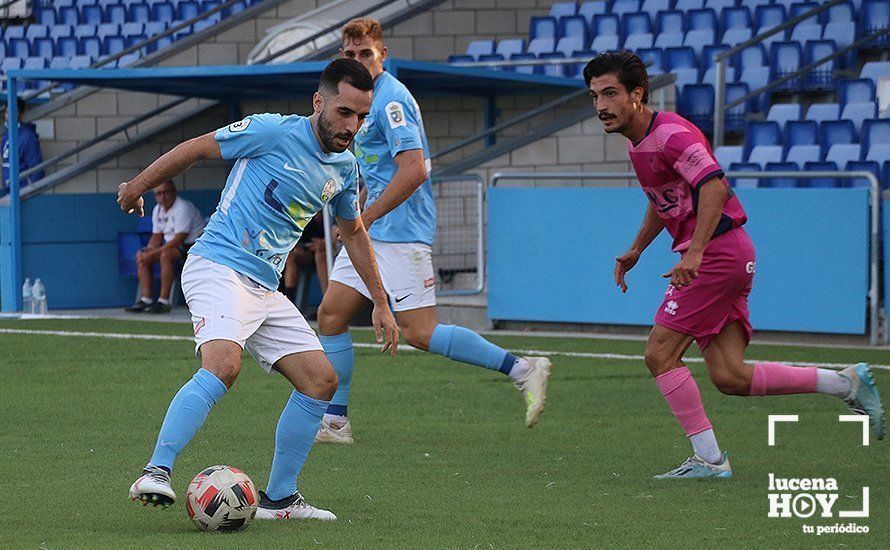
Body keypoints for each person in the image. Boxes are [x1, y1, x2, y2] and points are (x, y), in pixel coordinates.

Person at [118, 59, 399, 520]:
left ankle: (280, 498)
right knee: (224, 366)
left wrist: (381, 302)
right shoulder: (272, 131)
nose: (353, 126)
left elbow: (353, 232)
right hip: (219, 266)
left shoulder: (345, 168)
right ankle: (156, 471)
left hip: (264, 287)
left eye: (362, 117)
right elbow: (195, 148)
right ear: (319, 102)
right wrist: (136, 187)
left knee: (321, 380)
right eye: (345, 113)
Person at [585, 50, 885, 479]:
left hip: (718, 254)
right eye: (595, 96)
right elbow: (665, 199)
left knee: (659, 354)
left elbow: (715, 188)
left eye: (610, 94)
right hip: (726, 253)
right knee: (729, 376)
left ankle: (709, 460)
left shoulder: (671, 135)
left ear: (638, 94)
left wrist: (695, 252)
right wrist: (637, 249)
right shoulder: (639, 143)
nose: (600, 106)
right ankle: (845, 383)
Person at [313, 17, 552, 445]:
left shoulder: (392, 100)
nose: (356, 60)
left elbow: (414, 170)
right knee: (330, 316)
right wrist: (359, 208)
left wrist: (365, 218)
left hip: (401, 232)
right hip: (374, 230)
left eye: (364, 53)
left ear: (382, 54)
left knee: (420, 333)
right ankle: (335, 422)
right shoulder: (363, 101)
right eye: (348, 55)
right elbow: (380, 167)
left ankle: (523, 369)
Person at [125, 180, 206, 314]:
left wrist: (154, 253)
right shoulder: (158, 209)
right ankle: (146, 300)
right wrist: (149, 249)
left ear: (174, 192)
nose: (162, 197)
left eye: (166, 192)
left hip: (193, 248)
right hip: (172, 246)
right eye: (159, 194)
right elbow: (157, 236)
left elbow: (179, 239)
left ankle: (163, 302)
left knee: (165, 255)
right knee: (142, 255)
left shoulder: (182, 207)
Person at [281, 212, 330, 305]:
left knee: (319, 252)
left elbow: (334, 235)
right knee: (289, 254)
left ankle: (289, 300)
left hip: (319, 252)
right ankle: (288, 298)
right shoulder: (299, 212)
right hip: (298, 249)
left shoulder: (328, 214)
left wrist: (323, 242)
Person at [1, 99, 44, 195]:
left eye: (13, 111)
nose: (9, 115)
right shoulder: (5, 138)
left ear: (21, 115)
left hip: (22, 194)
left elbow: (38, 170)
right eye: (7, 112)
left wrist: (27, 191)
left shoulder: (27, 137)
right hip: (9, 192)